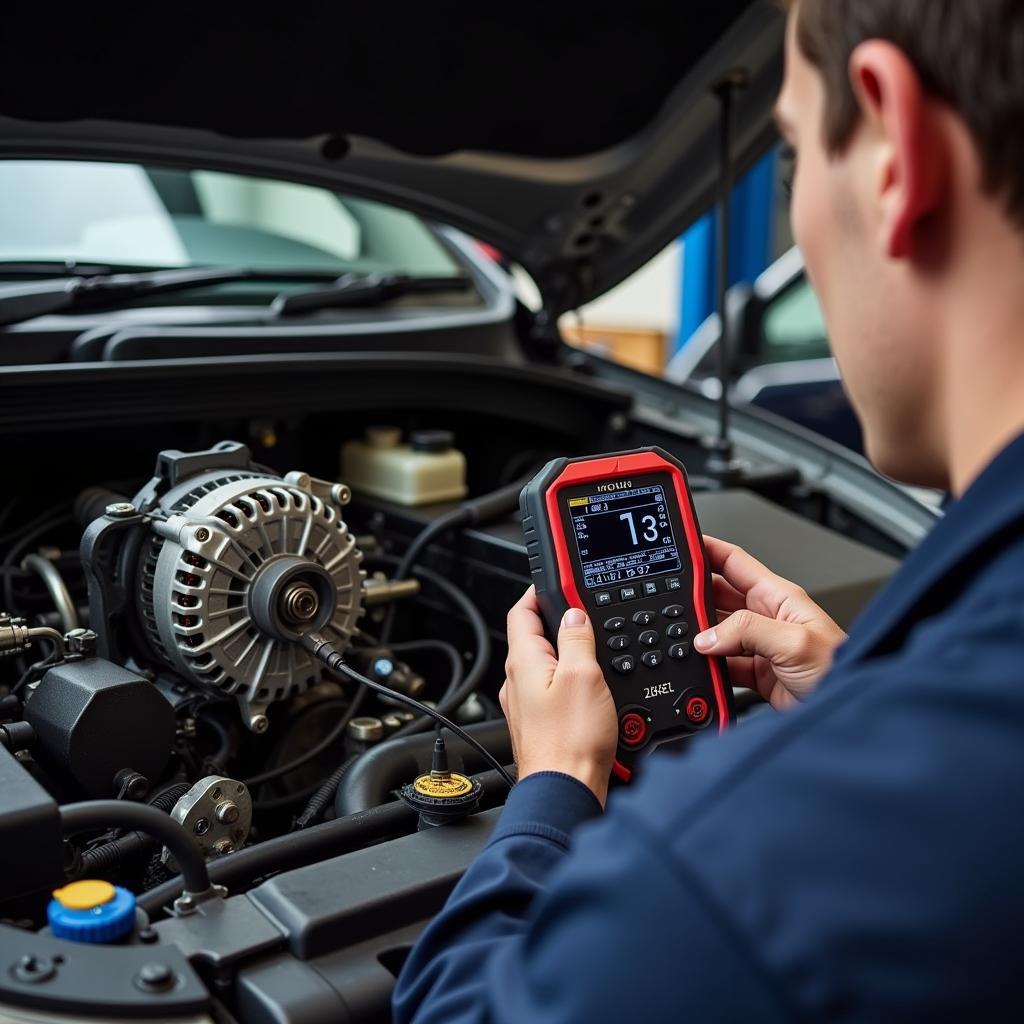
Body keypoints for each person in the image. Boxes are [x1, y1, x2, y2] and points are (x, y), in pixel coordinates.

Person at [395, 0, 1024, 1019]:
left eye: (787, 160)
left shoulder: (727, 876)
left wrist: (550, 793)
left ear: (892, 153)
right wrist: (854, 695)